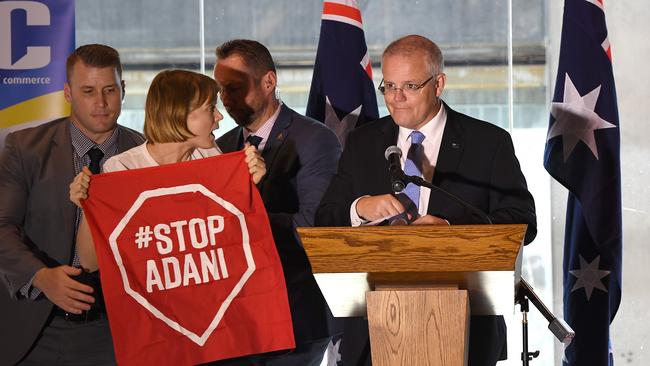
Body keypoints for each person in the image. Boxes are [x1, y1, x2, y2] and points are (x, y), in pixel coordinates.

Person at [315, 35, 537, 366]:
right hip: (374, 334)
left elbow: (523, 221)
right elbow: (325, 219)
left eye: (409, 86)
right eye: (388, 86)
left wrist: (451, 230)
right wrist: (360, 208)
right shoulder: (362, 142)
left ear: (439, 84)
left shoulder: (487, 142)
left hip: (467, 331)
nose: (396, 98)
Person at [0, 44, 145, 365]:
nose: (101, 103)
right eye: (88, 91)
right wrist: (40, 276)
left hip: (119, 331)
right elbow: (2, 227)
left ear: (123, 89)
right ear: (68, 93)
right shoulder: (24, 148)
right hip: (38, 328)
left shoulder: (147, 153)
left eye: (110, 90)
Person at [214, 39, 342, 365]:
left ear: (269, 82)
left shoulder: (315, 140)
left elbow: (313, 229)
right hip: (235, 323)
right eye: (222, 89)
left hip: (295, 318)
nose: (226, 99)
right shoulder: (221, 147)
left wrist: (240, 225)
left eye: (235, 87)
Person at [69, 69, 266, 273]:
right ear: (180, 113)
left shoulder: (210, 155)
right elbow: (90, 262)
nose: (219, 116)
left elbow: (236, 239)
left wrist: (250, 187)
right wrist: (88, 205)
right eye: (210, 108)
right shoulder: (122, 168)